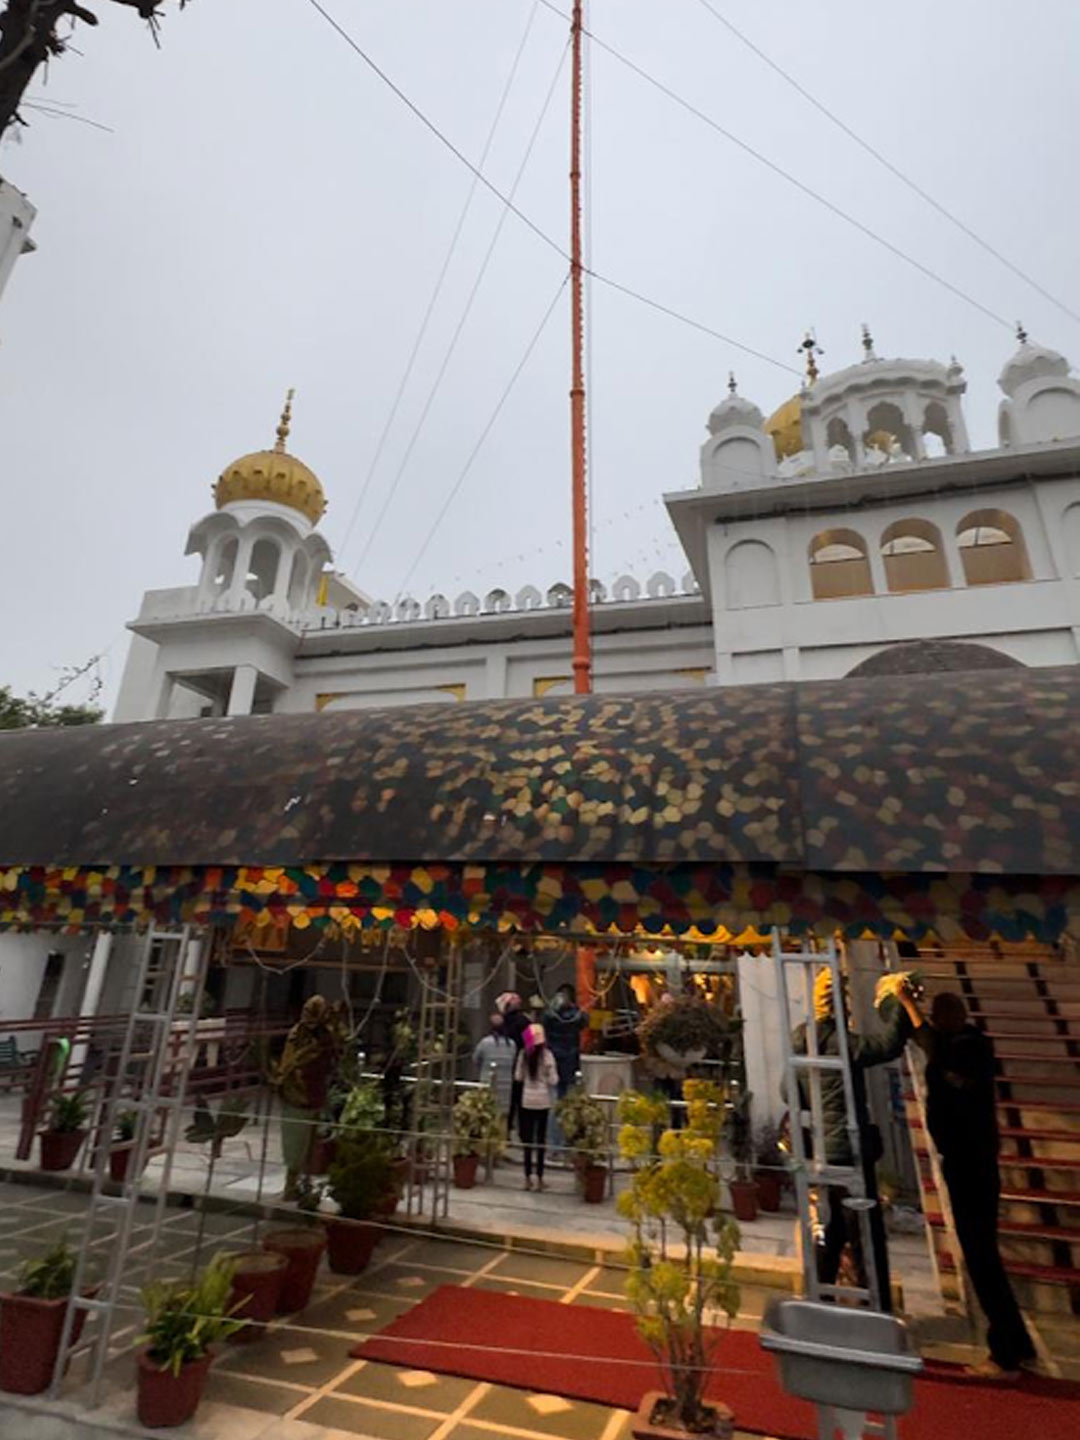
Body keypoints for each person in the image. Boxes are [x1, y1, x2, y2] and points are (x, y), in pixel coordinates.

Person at [896, 986, 1037, 1381]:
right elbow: (925, 1039)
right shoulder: (965, 1046)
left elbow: (928, 1043)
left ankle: (1005, 1352)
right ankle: (1017, 1341)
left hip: (968, 1162)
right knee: (984, 1256)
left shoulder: (966, 1051)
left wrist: (908, 1005)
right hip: (972, 1159)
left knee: (981, 1257)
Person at [786, 967, 911, 1309]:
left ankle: (820, 1297)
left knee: (829, 1227)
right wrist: (896, 1003)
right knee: (864, 1233)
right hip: (852, 1149)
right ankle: (874, 1302)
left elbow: (789, 1092)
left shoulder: (801, 1040)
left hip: (824, 1149)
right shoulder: (844, 1042)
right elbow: (888, 1045)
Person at [276, 994, 346, 1201]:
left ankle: (303, 1184)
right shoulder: (298, 1034)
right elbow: (292, 1062)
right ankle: (290, 1184)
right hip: (296, 1093)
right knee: (295, 1141)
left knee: (311, 1141)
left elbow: (336, 1052)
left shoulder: (325, 1034)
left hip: (315, 1092)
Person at [514, 1022, 558, 1191]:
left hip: (527, 1100)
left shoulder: (523, 1055)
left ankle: (527, 1178)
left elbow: (518, 1077)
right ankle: (540, 1178)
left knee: (528, 1141)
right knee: (540, 1141)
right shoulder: (547, 1056)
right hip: (543, 1101)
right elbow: (554, 1080)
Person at [545, 985, 589, 1098]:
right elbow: (584, 1022)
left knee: (556, 1085)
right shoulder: (575, 1013)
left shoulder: (552, 1014)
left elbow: (544, 1022)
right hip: (569, 1053)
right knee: (567, 1086)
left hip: (556, 1052)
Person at [496, 992, 529, 1134]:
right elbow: (531, 1043)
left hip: (504, 1065)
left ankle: (505, 1130)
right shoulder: (526, 1022)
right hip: (522, 1064)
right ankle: (524, 1132)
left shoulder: (501, 1023)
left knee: (504, 1100)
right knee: (520, 1101)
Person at [473, 1011, 516, 1117]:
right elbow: (514, 1060)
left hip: (487, 1081)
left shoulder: (484, 1043)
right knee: (503, 1114)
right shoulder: (511, 1044)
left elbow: (475, 1059)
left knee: (487, 1112)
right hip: (507, 1084)